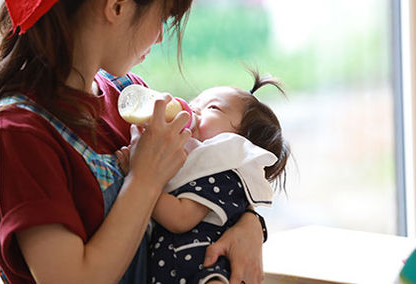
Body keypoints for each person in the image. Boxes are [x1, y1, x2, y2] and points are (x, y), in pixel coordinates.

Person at [0, 0, 266, 283]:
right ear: (118, 5)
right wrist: (143, 179)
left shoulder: (130, 94)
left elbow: (212, 167)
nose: (159, 38)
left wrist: (250, 224)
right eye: (163, 17)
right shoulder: (17, 133)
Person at [116, 71, 290, 284]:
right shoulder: (194, 164)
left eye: (213, 107)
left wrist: (137, 174)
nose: (193, 109)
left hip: (205, 271)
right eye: (194, 101)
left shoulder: (222, 172)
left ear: (239, 142)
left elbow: (180, 218)